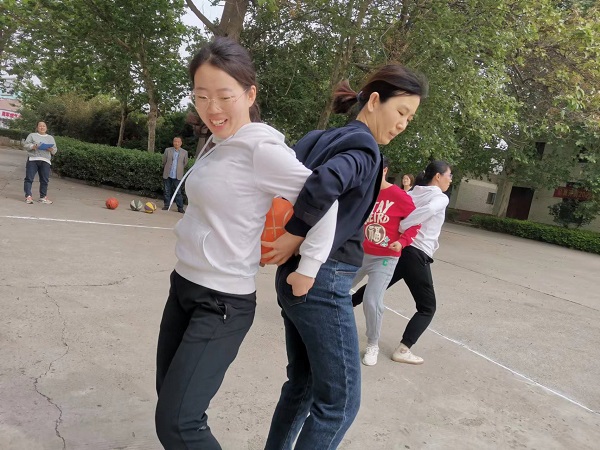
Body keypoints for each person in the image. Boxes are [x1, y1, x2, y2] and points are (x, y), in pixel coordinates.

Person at [154, 37, 338, 450]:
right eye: (202, 96)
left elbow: (325, 200)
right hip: (183, 287)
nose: (212, 108)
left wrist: (308, 265)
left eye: (224, 96)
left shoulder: (260, 149)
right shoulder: (216, 144)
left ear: (250, 94)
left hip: (222, 302)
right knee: (172, 403)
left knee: (179, 424)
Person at [263, 64, 428, 449]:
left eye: (409, 118)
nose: (403, 124)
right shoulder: (364, 148)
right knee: (340, 404)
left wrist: (288, 236)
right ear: (374, 101)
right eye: (401, 112)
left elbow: (286, 179)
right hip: (323, 280)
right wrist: (294, 233)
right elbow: (325, 183)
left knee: (302, 387)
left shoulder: (319, 138)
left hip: (296, 278)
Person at [352, 160, 452, 365]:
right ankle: (404, 349)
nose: (450, 180)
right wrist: (406, 224)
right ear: (438, 176)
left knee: (373, 292)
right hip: (416, 253)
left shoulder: (413, 192)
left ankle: (336, 309)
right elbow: (428, 210)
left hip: (400, 250)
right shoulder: (440, 197)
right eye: (449, 175)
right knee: (427, 308)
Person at [351, 156, 420, 366]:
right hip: (359, 254)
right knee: (336, 289)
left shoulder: (399, 196)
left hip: (385, 258)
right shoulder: (364, 192)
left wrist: (403, 241)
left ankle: (373, 344)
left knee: (372, 300)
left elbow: (415, 224)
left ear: (384, 171)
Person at [23, 121, 57, 204]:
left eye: (44, 126)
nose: (42, 127)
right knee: (29, 178)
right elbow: (25, 145)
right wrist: (33, 146)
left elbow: (54, 150)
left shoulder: (50, 138)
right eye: (40, 126)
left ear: (46, 128)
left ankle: (43, 197)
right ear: (37, 128)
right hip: (33, 159)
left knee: (44, 180)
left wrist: (50, 149)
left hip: (45, 160)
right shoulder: (32, 135)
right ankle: (28, 196)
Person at [162, 136, 189, 213]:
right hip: (168, 174)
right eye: (175, 141)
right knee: (167, 191)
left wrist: (179, 169)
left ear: (181, 143)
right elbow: (164, 161)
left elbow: (185, 163)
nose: (176, 143)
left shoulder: (184, 152)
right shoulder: (167, 150)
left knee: (178, 192)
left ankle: (180, 207)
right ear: (173, 142)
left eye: (178, 142)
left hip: (178, 175)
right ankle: (166, 205)